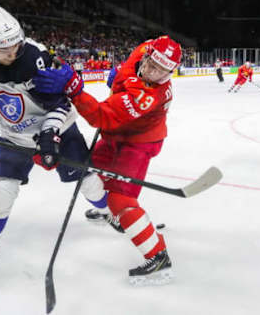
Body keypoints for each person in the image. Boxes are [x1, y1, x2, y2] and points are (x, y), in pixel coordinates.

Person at [0, 6, 108, 279]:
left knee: (88, 180)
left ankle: (108, 212)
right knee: (2, 191)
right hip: (14, 133)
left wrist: (50, 135)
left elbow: (61, 102)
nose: (13, 53)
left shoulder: (35, 57)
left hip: (59, 129)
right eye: (4, 50)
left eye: (16, 46)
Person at [32, 35, 182, 285]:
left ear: (170, 72)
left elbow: (101, 116)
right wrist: (121, 76)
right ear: (148, 54)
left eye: (160, 70)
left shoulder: (147, 95)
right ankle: (110, 214)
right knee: (88, 171)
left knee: (120, 199)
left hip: (138, 142)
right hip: (118, 133)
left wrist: (74, 88)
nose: (151, 71)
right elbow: (134, 63)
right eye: (150, 63)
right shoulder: (147, 49)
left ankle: (158, 257)